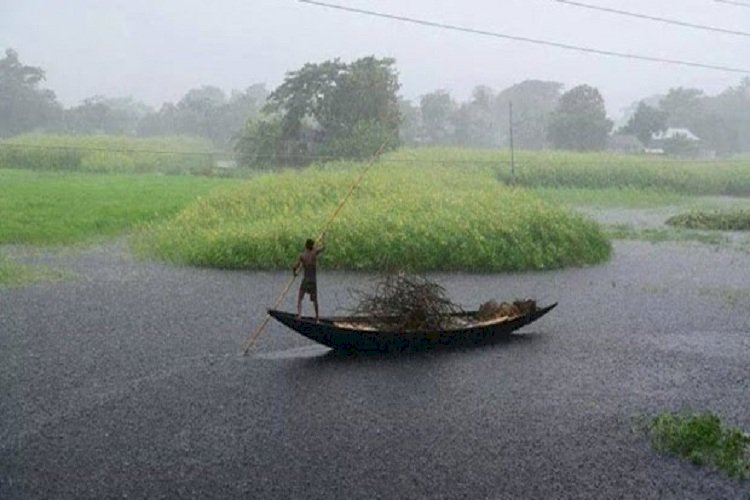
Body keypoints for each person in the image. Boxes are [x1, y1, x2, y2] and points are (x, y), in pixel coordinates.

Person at [293, 237, 325, 321]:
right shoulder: (314, 253)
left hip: (306, 280)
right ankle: (317, 318)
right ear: (312, 246)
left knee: (300, 298)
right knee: (315, 300)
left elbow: (294, 267)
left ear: (306, 246)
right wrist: (323, 239)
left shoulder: (302, 255)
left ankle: (299, 315)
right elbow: (323, 247)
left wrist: (295, 273)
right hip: (313, 281)